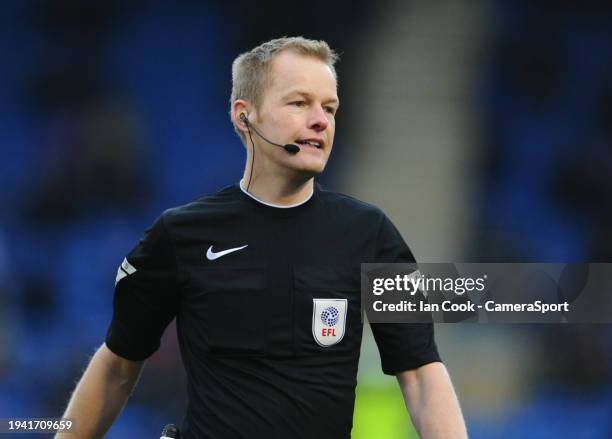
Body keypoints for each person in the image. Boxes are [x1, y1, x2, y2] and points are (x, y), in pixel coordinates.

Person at [57, 37, 467, 439]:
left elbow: (420, 374)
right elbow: (117, 367)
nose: (321, 120)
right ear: (244, 116)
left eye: (329, 107)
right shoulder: (181, 234)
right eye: (299, 103)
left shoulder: (370, 234)